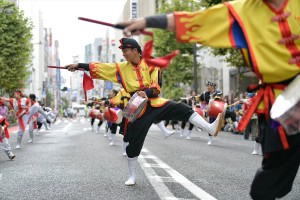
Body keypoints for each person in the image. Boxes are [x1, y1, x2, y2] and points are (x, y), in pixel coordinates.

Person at [119, 0, 300, 198]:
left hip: (286, 102)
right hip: (282, 110)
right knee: (267, 186)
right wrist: (146, 21)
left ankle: (208, 127)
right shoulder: (240, 12)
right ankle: (205, 128)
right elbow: (194, 21)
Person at [66, 38, 223, 186]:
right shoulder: (120, 68)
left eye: (126, 50)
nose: (124, 54)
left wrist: (146, 93)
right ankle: (132, 176)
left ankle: (209, 128)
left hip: (154, 102)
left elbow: (156, 86)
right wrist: (78, 65)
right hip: (136, 109)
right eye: (122, 51)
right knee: (133, 144)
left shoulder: (151, 64)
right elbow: (99, 67)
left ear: (135, 50)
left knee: (183, 109)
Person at [200, 81, 221, 145]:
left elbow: (220, 101)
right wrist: (203, 107)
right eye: (207, 86)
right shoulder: (205, 94)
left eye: (208, 86)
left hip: (218, 111)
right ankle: (210, 140)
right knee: (210, 126)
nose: (207, 87)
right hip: (210, 112)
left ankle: (235, 123)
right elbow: (200, 99)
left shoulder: (218, 93)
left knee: (217, 125)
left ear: (212, 86)